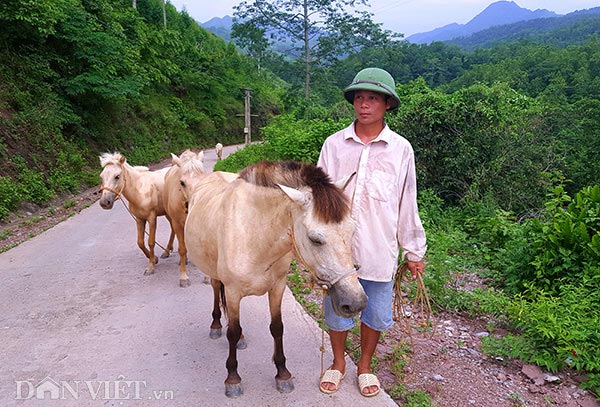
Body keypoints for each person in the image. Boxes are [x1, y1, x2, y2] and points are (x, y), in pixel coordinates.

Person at [317, 67, 427, 397]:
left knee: (376, 313)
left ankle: (364, 366)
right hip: (340, 252)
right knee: (337, 311)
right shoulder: (334, 145)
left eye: (373, 98)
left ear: (387, 104)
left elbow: (407, 201)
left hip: (379, 249)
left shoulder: (400, 149)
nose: (364, 104)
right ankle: (338, 363)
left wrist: (413, 250)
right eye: (360, 97)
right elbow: (319, 200)